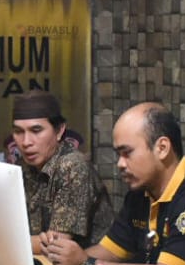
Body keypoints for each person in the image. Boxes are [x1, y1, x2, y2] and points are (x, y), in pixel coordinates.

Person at [41, 102, 185, 265]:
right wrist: (62, 254)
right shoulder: (140, 194)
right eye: (118, 154)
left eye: (127, 153)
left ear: (162, 148)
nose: (120, 164)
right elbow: (110, 251)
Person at [12, 89, 112, 254]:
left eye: (36, 131)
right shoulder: (23, 167)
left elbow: (57, 244)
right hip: (41, 263)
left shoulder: (72, 166)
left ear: (59, 131)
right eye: (18, 132)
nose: (26, 142)